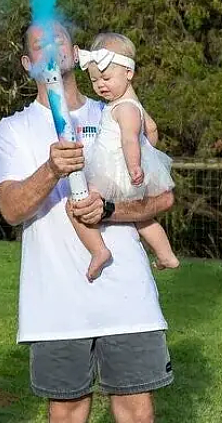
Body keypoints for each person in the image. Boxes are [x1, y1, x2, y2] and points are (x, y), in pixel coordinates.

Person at [0, 20, 175, 423]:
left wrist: (109, 209)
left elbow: (162, 196)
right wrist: (51, 170)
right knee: (68, 412)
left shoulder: (118, 114)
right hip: (56, 303)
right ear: (27, 63)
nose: (52, 48)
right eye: (40, 45)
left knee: (137, 412)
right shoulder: (14, 129)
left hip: (127, 296)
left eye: (60, 39)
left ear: (77, 55)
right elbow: (10, 209)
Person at [72, 32, 179, 279]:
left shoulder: (124, 108)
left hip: (116, 170)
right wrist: (147, 155)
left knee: (78, 204)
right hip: (127, 170)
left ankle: (98, 250)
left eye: (106, 78)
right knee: (142, 218)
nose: (101, 85)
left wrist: (133, 165)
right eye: (95, 80)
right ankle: (166, 254)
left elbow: (130, 138)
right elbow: (150, 129)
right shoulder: (134, 104)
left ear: (128, 74)